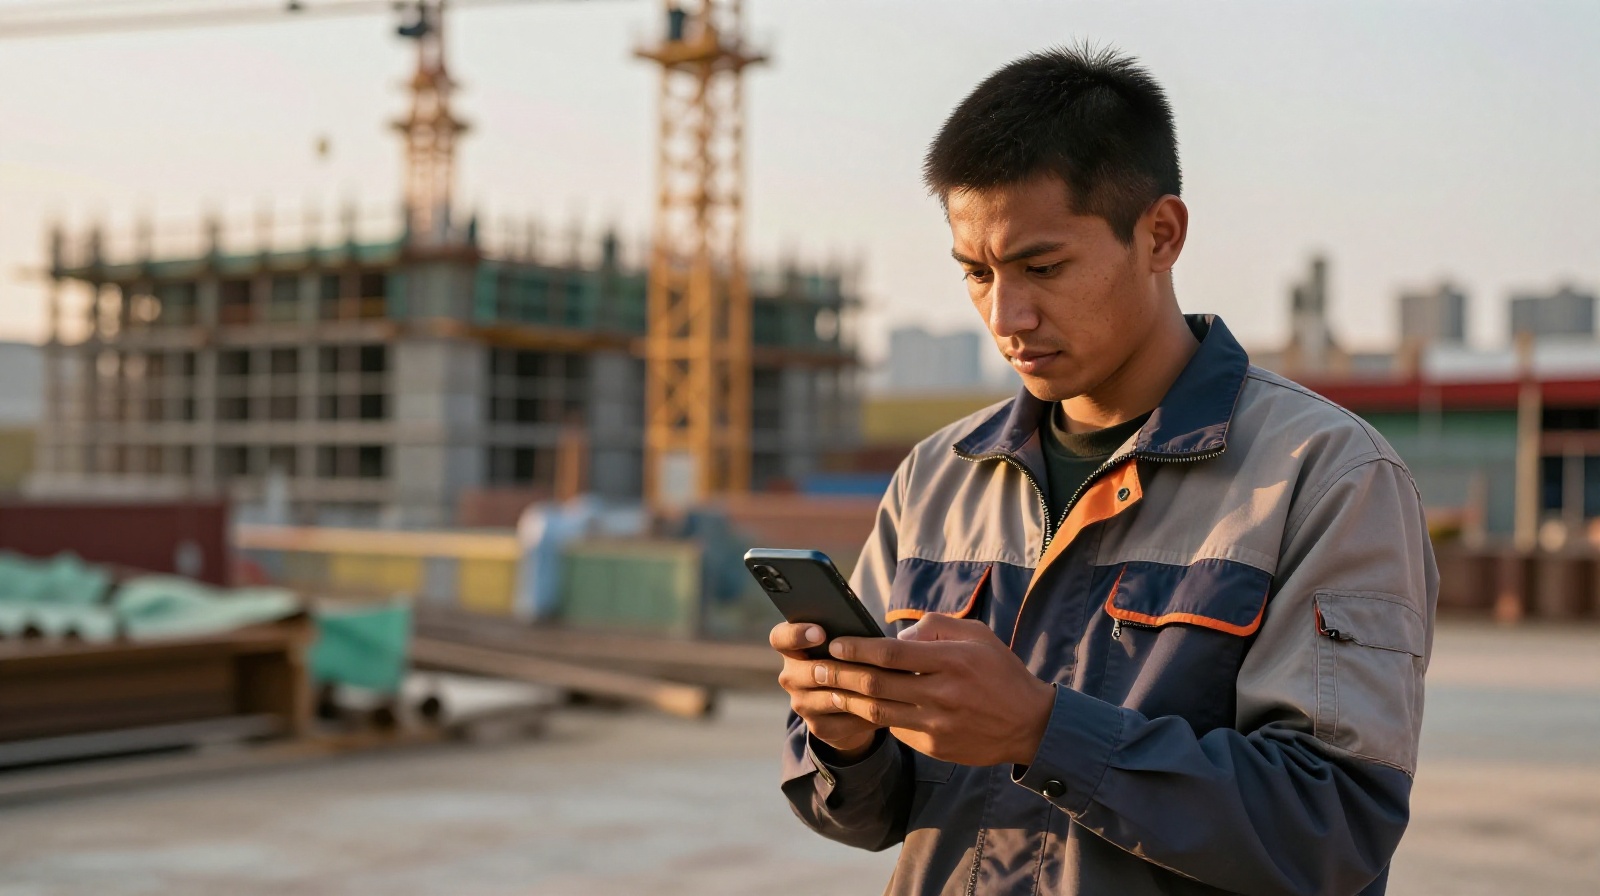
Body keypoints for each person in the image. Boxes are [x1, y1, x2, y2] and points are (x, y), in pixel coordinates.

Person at [771, 45, 1437, 896]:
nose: (1006, 317)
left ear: (1160, 234)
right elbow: (866, 818)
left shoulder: (1329, 478)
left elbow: (1335, 829)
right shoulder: (938, 479)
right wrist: (845, 737)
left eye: (1043, 268)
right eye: (977, 274)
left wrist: (1044, 731)